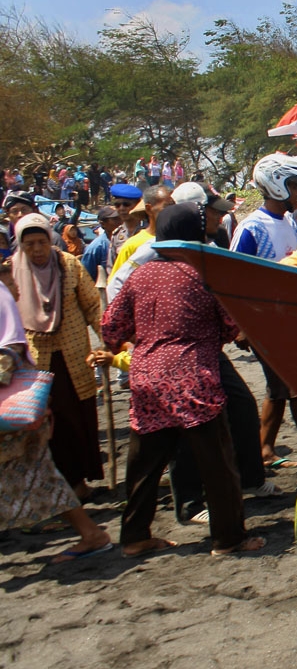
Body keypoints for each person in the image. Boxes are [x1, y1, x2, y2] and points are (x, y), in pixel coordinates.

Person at [101, 203, 265, 557]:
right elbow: (232, 326)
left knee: (144, 464)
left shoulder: (140, 275)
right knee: (217, 464)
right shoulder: (202, 274)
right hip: (193, 377)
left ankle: (134, 537)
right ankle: (229, 538)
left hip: (145, 376)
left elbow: (111, 329)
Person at [0, 286, 111, 562]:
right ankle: (91, 534)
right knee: (37, 472)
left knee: (38, 471)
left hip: (11, 408)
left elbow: (11, 347)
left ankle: (92, 534)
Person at [234, 154, 297, 468]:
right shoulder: (251, 228)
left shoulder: (288, 221)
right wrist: (242, 324)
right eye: (295, 187)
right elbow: (234, 278)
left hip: (286, 319)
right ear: (276, 186)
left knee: (279, 387)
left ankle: (265, 449)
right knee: (292, 384)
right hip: (263, 321)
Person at [10, 214, 105, 500]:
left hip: (75, 357)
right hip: (34, 362)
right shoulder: (11, 273)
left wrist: (109, 343)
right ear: (20, 244)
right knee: (49, 426)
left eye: (41, 242)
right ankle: (58, 488)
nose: (37, 250)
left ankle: (79, 484)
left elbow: (92, 306)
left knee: (79, 419)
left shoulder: (69, 265)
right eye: (29, 244)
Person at [110, 185, 175, 277]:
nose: (121, 208)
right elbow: (116, 281)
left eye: (126, 204)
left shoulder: (178, 238)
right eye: (117, 205)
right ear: (148, 209)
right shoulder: (131, 244)